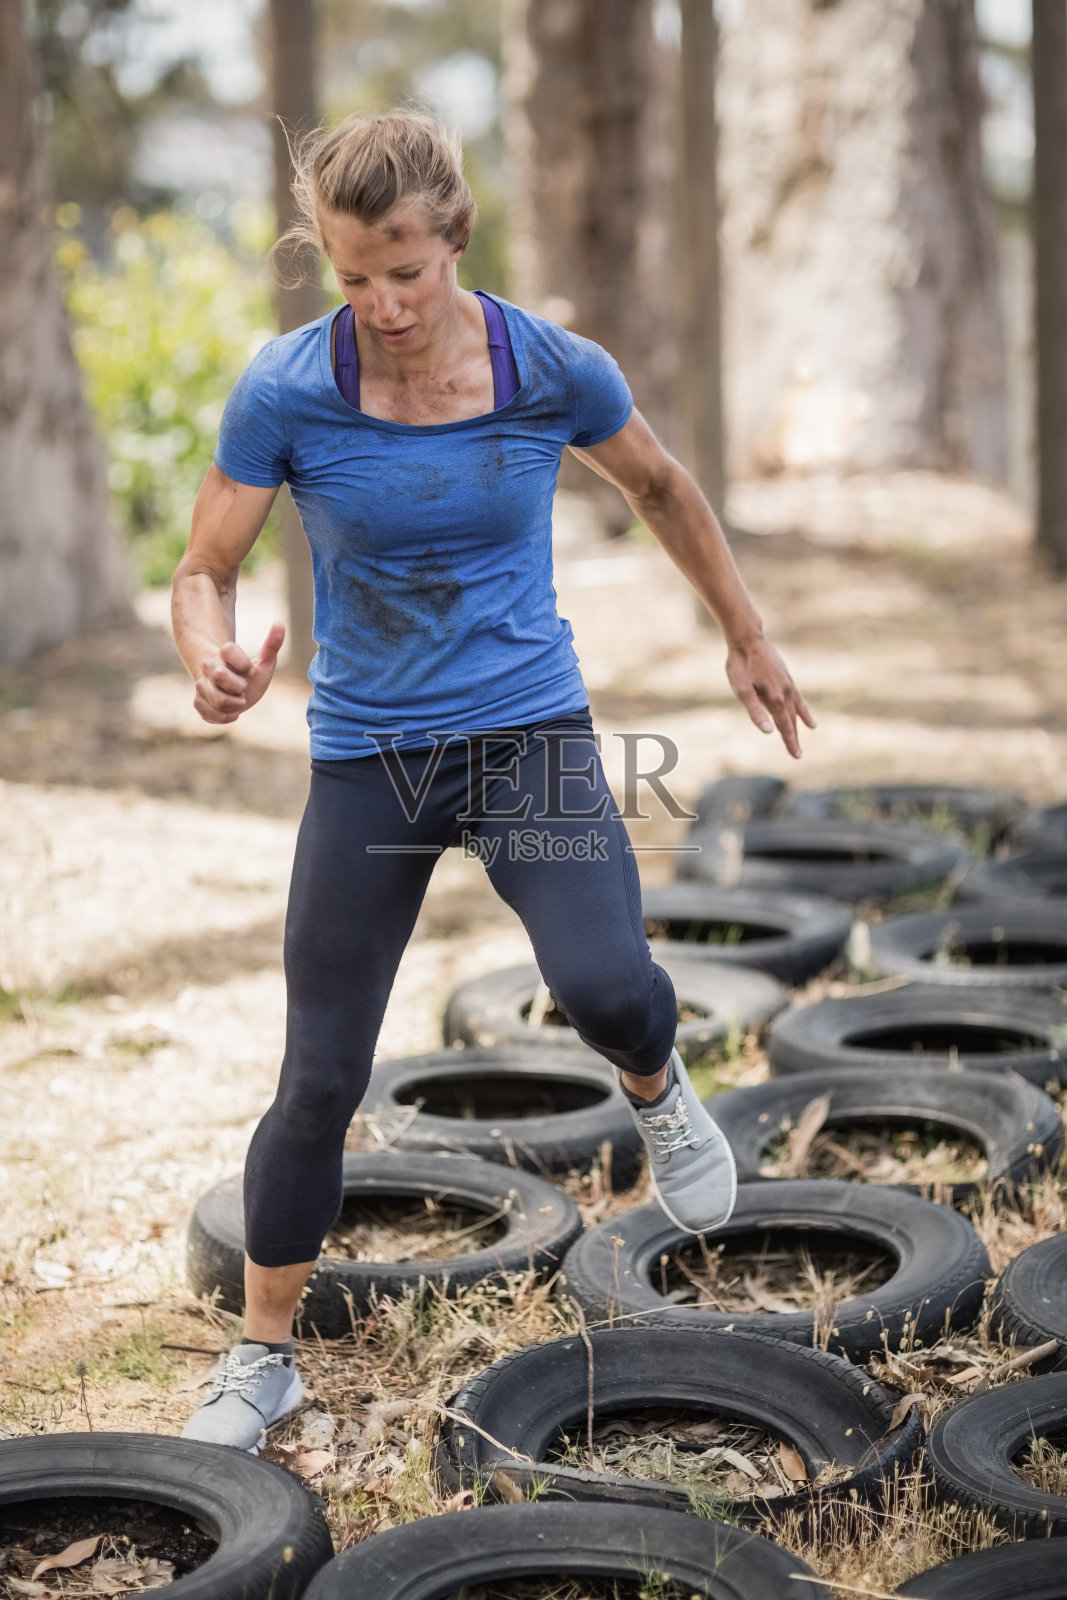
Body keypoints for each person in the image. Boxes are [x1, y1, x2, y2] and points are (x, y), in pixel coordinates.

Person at [171, 108, 814, 1452]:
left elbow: (663, 485)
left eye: (406, 270)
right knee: (319, 1073)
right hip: (370, 759)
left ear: (455, 236)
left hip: (527, 736)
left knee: (607, 986)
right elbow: (204, 569)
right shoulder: (287, 387)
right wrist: (213, 655)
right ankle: (263, 1355)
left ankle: (658, 1089)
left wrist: (744, 634)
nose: (385, 304)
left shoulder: (549, 367)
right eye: (353, 277)